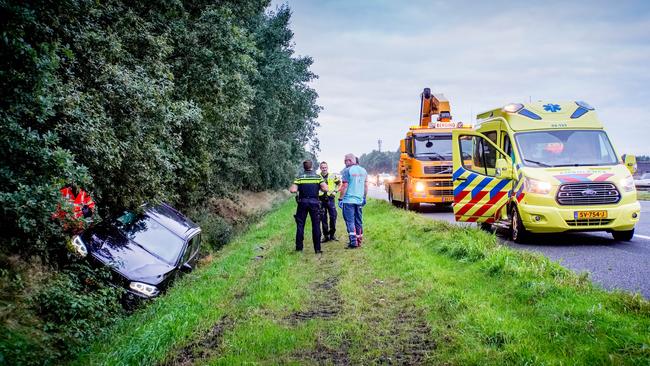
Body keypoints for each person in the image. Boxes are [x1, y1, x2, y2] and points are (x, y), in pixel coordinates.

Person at [289, 160, 329, 254]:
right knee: (316, 225)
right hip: (314, 202)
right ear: (312, 167)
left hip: (302, 203)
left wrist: (299, 188)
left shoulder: (299, 177)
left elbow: (292, 190)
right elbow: (325, 188)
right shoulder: (317, 177)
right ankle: (317, 249)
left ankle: (299, 248)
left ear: (304, 167)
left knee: (300, 225)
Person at [338, 153, 368, 249]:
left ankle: (353, 242)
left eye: (345, 160)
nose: (344, 162)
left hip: (348, 201)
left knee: (350, 221)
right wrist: (364, 197)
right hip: (359, 200)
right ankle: (359, 240)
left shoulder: (347, 170)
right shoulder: (363, 171)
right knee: (358, 221)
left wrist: (340, 198)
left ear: (349, 161)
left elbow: (344, 186)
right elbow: (366, 186)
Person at [318, 162, 341, 242]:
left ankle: (332, 235)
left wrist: (335, 192)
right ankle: (326, 236)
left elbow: (339, 184)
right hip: (321, 199)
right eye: (322, 167)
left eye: (325, 167)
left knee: (333, 217)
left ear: (327, 167)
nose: (324, 169)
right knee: (323, 218)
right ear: (320, 168)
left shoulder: (333, 175)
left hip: (330, 198)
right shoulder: (318, 177)